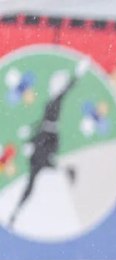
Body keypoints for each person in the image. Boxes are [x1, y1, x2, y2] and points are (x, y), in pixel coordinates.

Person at [7, 60, 88, 229]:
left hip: (47, 140)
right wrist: (29, 130)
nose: (54, 85)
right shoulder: (51, 100)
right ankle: (16, 212)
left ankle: (16, 211)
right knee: (36, 173)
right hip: (43, 139)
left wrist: (77, 74)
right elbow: (42, 121)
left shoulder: (58, 99)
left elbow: (66, 90)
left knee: (37, 169)